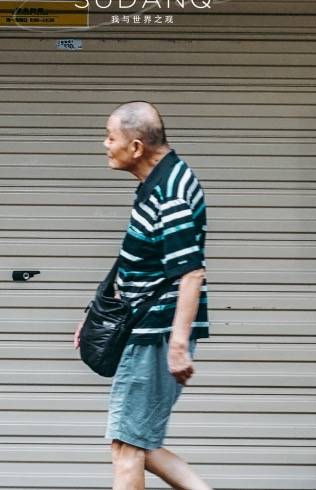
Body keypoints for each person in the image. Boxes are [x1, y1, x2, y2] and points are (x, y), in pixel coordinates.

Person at [78, 101, 212, 490]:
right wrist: (94, 315)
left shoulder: (169, 193)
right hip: (147, 328)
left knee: (127, 449)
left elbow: (190, 272)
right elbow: (135, 259)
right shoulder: (158, 182)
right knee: (142, 445)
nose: (105, 144)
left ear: (136, 147)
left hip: (154, 333)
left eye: (110, 137)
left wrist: (178, 345)